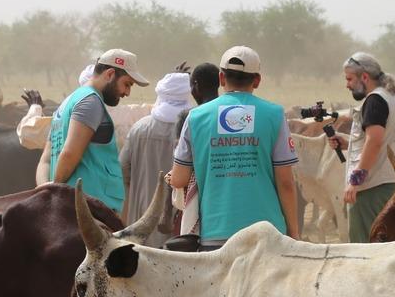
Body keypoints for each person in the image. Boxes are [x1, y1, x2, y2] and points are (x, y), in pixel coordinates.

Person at [170, 46, 299, 250]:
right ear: (257, 80)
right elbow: (286, 183)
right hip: (267, 236)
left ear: (222, 78)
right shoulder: (274, 115)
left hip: (214, 234)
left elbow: (179, 179)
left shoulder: (196, 117)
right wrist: (294, 233)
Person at [42, 49, 148, 213]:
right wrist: (55, 190)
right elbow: (70, 153)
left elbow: (46, 160)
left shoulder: (67, 102)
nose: (127, 92)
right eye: (127, 84)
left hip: (69, 205)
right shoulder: (90, 102)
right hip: (88, 211)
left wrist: (45, 192)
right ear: (110, 74)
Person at [328, 52, 395, 243]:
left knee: (366, 250)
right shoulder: (392, 97)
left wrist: (355, 181)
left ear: (364, 77)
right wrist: (348, 142)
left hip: (372, 190)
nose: (347, 84)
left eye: (349, 79)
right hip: (393, 185)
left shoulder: (375, 101)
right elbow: (381, 140)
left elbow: (374, 141)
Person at [120, 65, 196, 246]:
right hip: (182, 227)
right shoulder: (195, 129)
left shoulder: (139, 129)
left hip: (142, 222)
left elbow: (123, 170)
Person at [168, 62, 221, 239]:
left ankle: (166, 217)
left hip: (197, 202)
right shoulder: (230, 114)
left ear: (195, 86)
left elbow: (179, 174)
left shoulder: (190, 117)